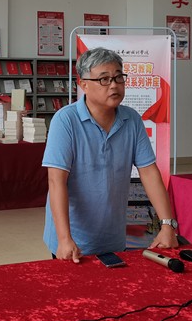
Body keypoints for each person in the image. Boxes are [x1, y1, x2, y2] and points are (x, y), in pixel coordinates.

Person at [42, 47, 179, 261]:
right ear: (83, 85)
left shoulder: (131, 119)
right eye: (104, 79)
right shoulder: (65, 120)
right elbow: (56, 181)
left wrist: (167, 224)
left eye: (118, 77)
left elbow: (149, 173)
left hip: (113, 236)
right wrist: (64, 238)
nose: (114, 85)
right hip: (73, 239)